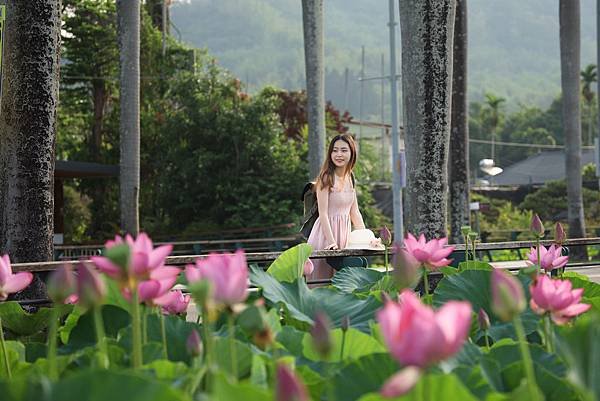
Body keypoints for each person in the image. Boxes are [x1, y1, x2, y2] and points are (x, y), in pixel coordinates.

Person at [306, 134, 366, 280]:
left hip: (344, 236)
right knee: (321, 284)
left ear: (352, 153)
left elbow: (355, 212)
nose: (339, 154)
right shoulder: (326, 177)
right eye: (335, 150)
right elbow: (323, 213)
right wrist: (331, 242)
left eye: (344, 150)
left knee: (343, 285)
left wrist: (367, 237)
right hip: (325, 237)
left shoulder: (350, 177)